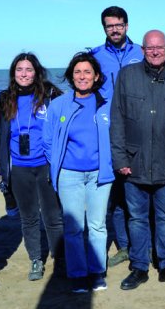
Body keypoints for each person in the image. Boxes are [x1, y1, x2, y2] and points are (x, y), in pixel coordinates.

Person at [111, 30, 165, 291]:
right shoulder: (127, 77)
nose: (155, 51)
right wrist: (119, 158)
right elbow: (117, 121)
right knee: (136, 218)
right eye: (150, 47)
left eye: (160, 47)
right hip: (133, 163)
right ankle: (139, 267)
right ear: (142, 49)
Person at [44, 52, 114, 293]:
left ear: (96, 76)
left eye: (87, 72)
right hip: (69, 175)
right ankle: (77, 274)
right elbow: (48, 140)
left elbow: (117, 137)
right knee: (74, 227)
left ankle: (96, 272)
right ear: (71, 76)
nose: (82, 76)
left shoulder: (106, 103)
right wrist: (58, 167)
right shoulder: (59, 104)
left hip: (99, 175)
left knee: (97, 225)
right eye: (77, 72)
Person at [0, 53, 64, 281]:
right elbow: (0, 138)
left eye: (28, 70)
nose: (24, 74)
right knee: (29, 218)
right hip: (20, 170)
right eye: (19, 70)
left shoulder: (50, 95)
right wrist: (1, 169)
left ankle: (60, 259)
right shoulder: (5, 99)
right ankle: (36, 259)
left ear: (36, 72)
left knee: (53, 217)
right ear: (14, 74)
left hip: (46, 166)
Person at [90, 6, 143, 269]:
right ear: (104, 28)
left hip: (140, 130)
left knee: (141, 190)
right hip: (108, 132)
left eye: (119, 24)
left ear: (127, 25)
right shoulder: (95, 56)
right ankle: (124, 246)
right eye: (110, 25)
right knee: (117, 194)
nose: (115, 29)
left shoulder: (141, 53)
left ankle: (143, 243)